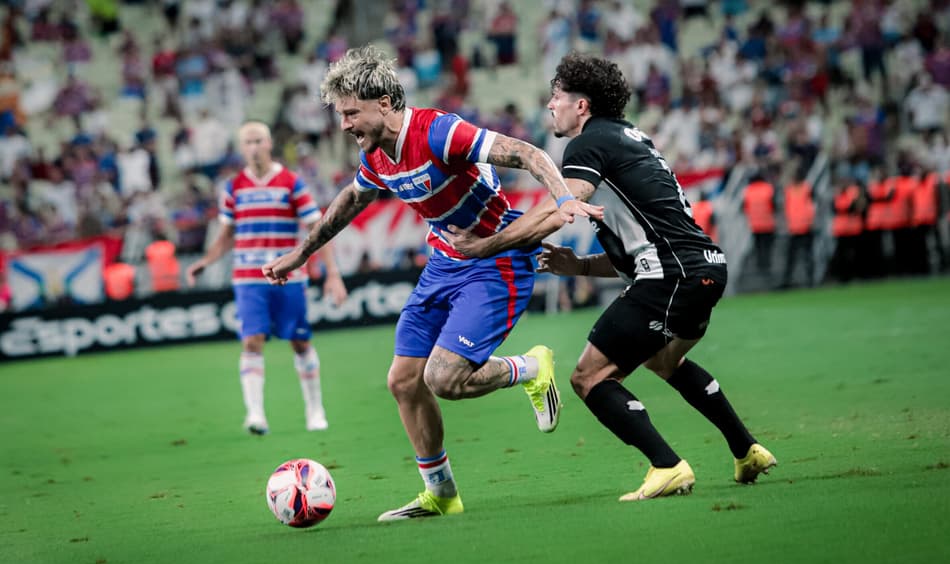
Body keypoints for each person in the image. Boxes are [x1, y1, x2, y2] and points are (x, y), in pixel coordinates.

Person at [262, 45, 602, 521]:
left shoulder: (439, 132)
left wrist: (563, 198)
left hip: (495, 261)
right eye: (340, 115)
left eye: (350, 113)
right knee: (403, 381)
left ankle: (528, 367)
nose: (344, 125)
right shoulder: (377, 154)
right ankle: (441, 493)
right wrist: (301, 253)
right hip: (444, 262)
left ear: (383, 103)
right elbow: (350, 200)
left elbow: (527, 152)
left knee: (442, 378)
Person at [444, 52, 777, 501]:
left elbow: (560, 207)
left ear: (582, 105)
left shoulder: (587, 144)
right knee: (664, 362)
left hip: (672, 276)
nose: (550, 106)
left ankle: (667, 466)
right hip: (702, 267)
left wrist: (483, 247)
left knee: (588, 378)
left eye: (557, 97)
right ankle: (746, 450)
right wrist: (580, 266)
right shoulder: (631, 138)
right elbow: (641, 245)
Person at [186, 121, 347, 435]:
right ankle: (255, 415)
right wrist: (204, 262)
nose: (253, 147)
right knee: (252, 340)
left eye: (258, 140)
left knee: (300, 342)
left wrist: (332, 274)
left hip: (289, 275)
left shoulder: (291, 182)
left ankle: (315, 410)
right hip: (248, 277)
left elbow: (319, 229)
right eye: (247, 142)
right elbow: (225, 236)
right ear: (241, 147)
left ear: (270, 143)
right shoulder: (233, 188)